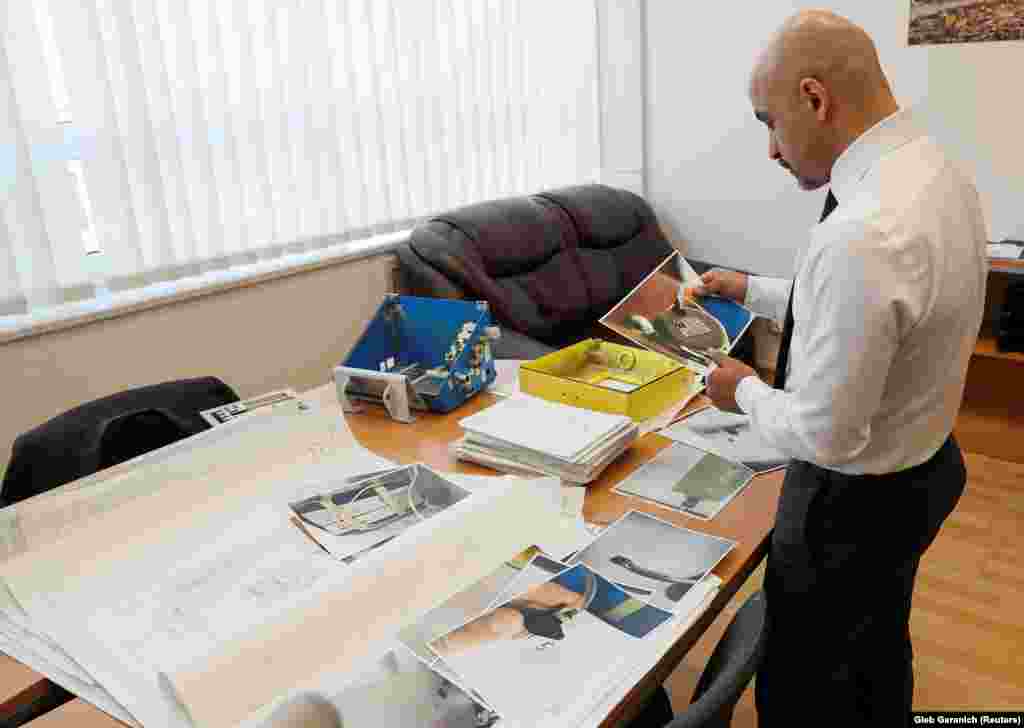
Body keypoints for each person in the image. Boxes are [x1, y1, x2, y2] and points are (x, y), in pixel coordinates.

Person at [687, 9, 987, 726]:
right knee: (879, 651)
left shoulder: (861, 231)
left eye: (769, 121)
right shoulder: (934, 174)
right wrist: (753, 290)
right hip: (924, 469)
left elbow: (825, 434)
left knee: (804, 688)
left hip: (853, 507)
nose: (770, 148)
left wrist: (744, 389)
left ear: (816, 100)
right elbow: (882, 313)